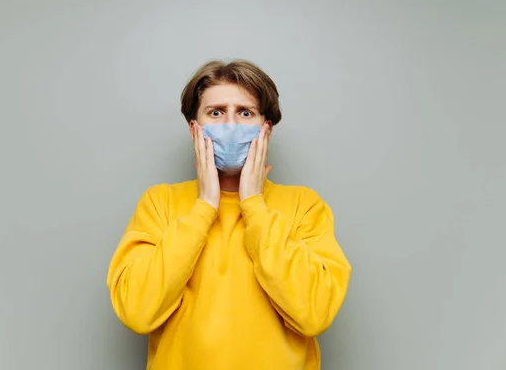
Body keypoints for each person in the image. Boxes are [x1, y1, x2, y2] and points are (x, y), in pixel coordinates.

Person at [106, 60, 352, 370]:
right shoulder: (160, 203)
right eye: (216, 112)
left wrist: (254, 205)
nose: (231, 125)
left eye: (245, 113)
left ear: (267, 129)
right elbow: (138, 312)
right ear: (194, 128)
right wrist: (205, 206)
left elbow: (314, 313)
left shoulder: (304, 206)